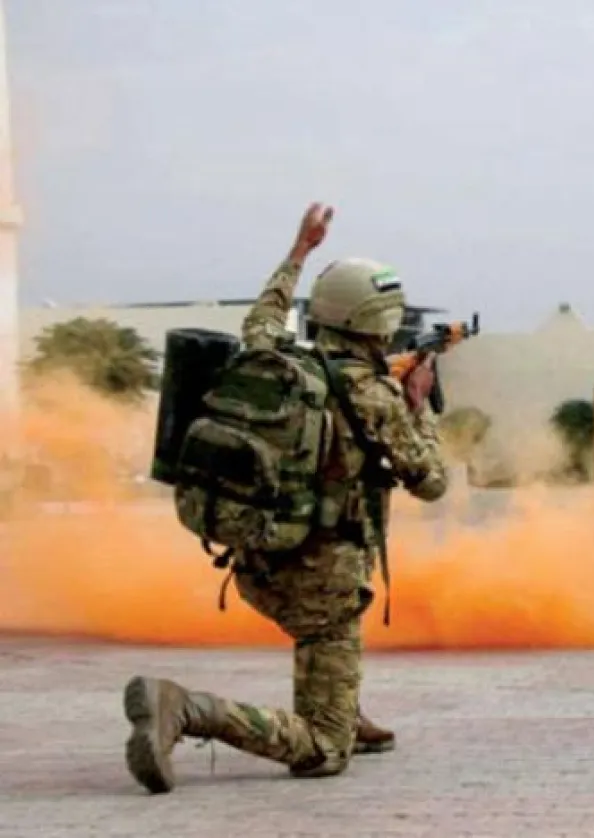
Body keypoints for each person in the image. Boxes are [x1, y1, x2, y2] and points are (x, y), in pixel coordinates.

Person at [122, 203, 449, 793]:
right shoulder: (375, 396)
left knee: (327, 655)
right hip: (321, 580)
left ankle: (342, 706)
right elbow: (431, 482)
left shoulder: (275, 358)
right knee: (325, 751)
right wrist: (419, 408)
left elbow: (264, 314)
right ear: (377, 323)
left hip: (258, 559)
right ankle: (187, 708)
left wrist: (300, 250)